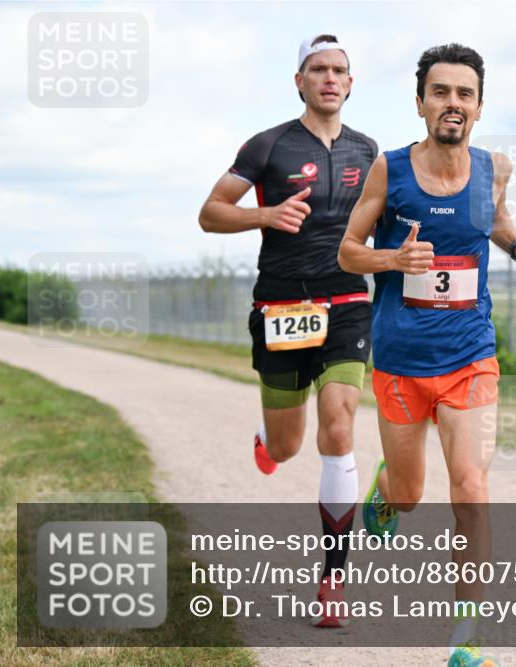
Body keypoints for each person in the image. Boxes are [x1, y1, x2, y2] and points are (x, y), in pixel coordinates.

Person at [338, 43, 516, 667]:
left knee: (471, 488)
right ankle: (386, 493)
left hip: (470, 355)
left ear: (479, 106)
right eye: (441, 92)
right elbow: (348, 251)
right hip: (402, 362)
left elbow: (495, 222)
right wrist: (391, 259)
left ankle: (466, 641)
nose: (453, 104)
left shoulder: (496, 168)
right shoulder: (389, 170)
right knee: (410, 494)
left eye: (464, 94)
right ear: (421, 102)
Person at [198, 34, 376, 628]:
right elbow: (211, 212)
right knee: (287, 445)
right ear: (299, 81)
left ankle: (332, 580)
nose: (330, 78)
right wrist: (266, 215)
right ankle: (265, 438)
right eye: (318, 69)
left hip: (348, 302)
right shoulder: (268, 145)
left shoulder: (368, 150)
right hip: (281, 307)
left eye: (339, 70)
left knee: (340, 426)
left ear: (351, 83)